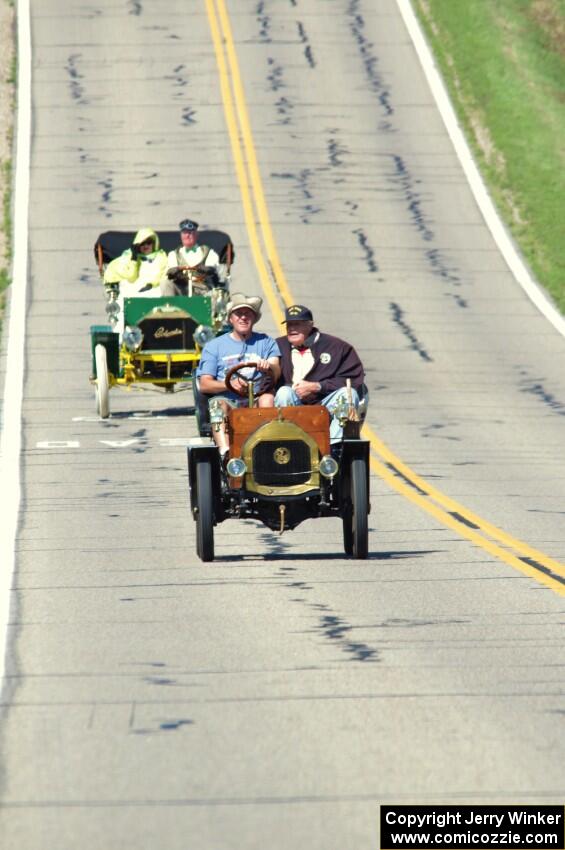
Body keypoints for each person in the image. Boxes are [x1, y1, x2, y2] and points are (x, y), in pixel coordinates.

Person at [197, 293, 281, 458]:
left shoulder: (266, 342)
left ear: (254, 318)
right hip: (229, 401)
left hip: (257, 397)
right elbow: (205, 384)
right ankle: (226, 453)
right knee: (217, 406)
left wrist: (268, 367)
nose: (243, 317)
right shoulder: (214, 346)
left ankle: (268, 448)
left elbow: (277, 371)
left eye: (248, 313)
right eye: (238, 314)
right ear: (230, 319)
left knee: (268, 399)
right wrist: (228, 385)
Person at [274, 304, 365, 442]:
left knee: (348, 394)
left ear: (310, 325)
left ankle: (333, 449)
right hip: (292, 404)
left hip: (324, 404)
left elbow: (353, 379)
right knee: (284, 392)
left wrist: (317, 386)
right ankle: (289, 444)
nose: (292, 329)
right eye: (289, 324)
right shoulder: (277, 346)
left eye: (297, 324)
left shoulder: (337, 347)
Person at [162, 218, 227, 295]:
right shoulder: (173, 255)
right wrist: (175, 271)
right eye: (184, 233)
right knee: (165, 283)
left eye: (190, 232)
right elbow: (171, 271)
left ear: (196, 234)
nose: (187, 235)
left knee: (214, 293)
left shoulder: (208, 252)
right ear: (181, 235)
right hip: (182, 290)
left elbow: (214, 269)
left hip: (203, 289)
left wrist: (206, 269)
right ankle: (170, 306)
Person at [103, 227, 168, 294]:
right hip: (132, 293)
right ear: (137, 245)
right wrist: (134, 259)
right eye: (142, 243)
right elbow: (130, 277)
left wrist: (151, 284)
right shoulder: (128, 256)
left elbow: (163, 275)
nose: (146, 246)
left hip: (155, 291)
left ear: (154, 243)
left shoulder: (161, 257)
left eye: (148, 242)